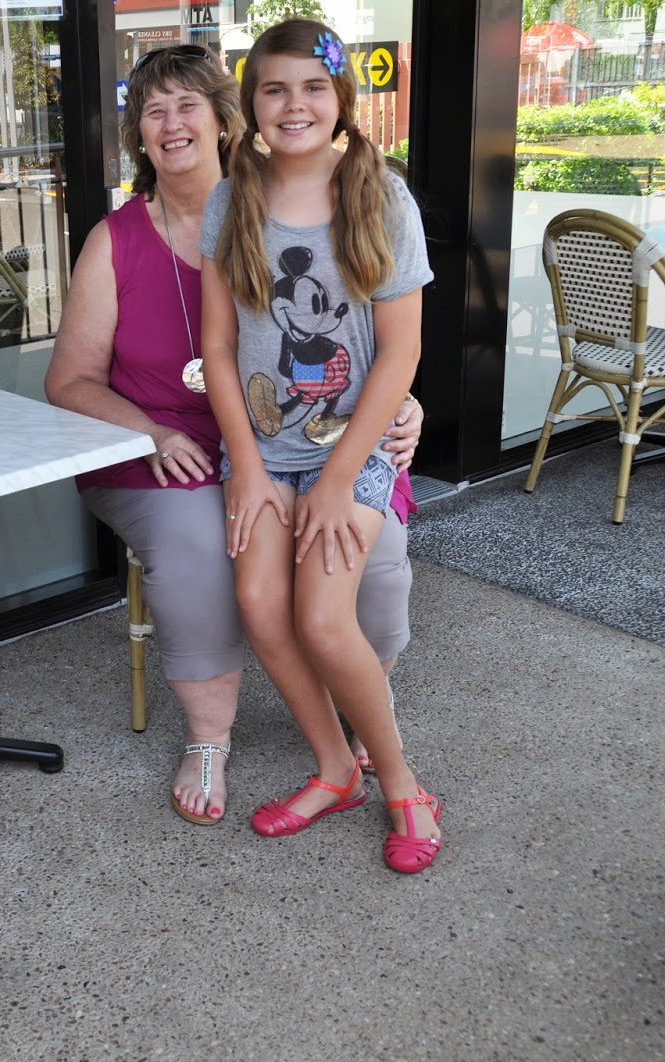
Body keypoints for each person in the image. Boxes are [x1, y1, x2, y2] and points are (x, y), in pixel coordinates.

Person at [44, 43, 422, 828]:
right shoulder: (124, 238)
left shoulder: (319, 198)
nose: (171, 124)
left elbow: (376, 340)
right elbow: (72, 379)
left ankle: (363, 716)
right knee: (206, 554)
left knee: (373, 560)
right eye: (153, 112)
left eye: (187, 105)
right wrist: (151, 433)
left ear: (223, 119)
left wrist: (400, 404)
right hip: (178, 449)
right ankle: (212, 738)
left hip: (315, 437)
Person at [199, 20, 440, 873]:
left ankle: (403, 785)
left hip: (353, 450)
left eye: (312, 87)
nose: (293, 104)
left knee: (323, 620)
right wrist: (245, 466)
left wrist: (339, 480)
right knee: (263, 609)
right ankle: (335, 769)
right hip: (263, 449)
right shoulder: (232, 199)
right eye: (274, 89)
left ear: (341, 97)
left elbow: (401, 354)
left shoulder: (382, 197)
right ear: (252, 103)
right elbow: (218, 347)